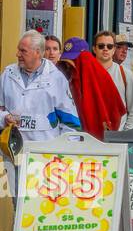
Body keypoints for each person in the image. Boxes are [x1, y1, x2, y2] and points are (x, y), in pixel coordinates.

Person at [1, 31, 82, 196]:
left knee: (41, 206)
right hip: (14, 152)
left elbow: (70, 122)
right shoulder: (7, 74)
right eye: (18, 50)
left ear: (38, 52)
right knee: (19, 206)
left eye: (23, 51)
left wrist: (65, 156)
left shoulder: (56, 79)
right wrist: (4, 118)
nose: (17, 54)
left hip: (45, 156)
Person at [90, 30, 133, 131]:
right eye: (101, 46)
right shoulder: (85, 73)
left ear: (113, 50)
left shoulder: (126, 75)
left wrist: (124, 135)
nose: (105, 49)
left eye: (109, 46)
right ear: (94, 49)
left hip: (117, 138)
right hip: (89, 137)